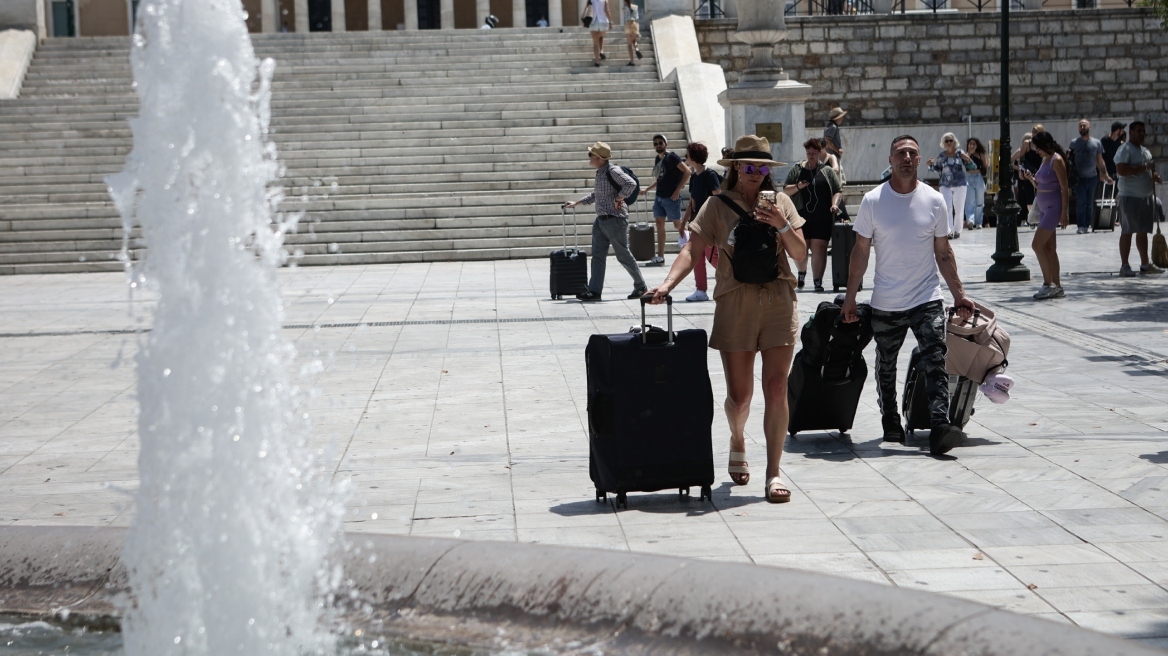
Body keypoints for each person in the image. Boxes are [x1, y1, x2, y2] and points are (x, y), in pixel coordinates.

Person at [647, 135, 807, 503]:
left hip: (779, 299)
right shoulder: (717, 206)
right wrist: (667, 284)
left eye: (762, 167)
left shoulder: (781, 201)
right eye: (748, 167)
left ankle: (773, 472)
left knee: (777, 389)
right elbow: (693, 249)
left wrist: (781, 223)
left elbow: (800, 255)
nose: (756, 174)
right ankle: (738, 437)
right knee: (740, 396)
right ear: (735, 167)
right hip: (735, 302)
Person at [841, 135, 975, 456]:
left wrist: (959, 295)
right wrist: (849, 298)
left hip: (927, 297)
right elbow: (860, 252)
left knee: (935, 360)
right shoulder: (873, 201)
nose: (906, 157)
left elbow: (943, 252)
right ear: (890, 160)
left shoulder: (934, 201)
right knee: (886, 365)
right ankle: (890, 419)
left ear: (919, 160)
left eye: (912, 153)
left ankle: (940, 424)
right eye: (900, 153)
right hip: (886, 302)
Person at [564, 141, 648, 301]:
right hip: (601, 220)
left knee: (623, 255)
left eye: (591, 155)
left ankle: (641, 286)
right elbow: (596, 195)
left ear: (598, 158)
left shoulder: (612, 170)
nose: (589, 157)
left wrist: (619, 197)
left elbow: (631, 183)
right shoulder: (600, 173)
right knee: (597, 256)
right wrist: (577, 203)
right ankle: (594, 291)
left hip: (615, 220)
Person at [783, 137, 843, 293]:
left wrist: (835, 204)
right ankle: (801, 274)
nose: (811, 155)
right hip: (800, 215)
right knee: (802, 247)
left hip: (822, 215)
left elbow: (838, 191)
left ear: (820, 152)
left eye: (814, 152)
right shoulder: (797, 169)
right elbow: (786, 190)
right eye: (808, 152)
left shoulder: (827, 171)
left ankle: (818, 281)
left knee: (819, 247)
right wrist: (798, 186)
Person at [1114, 121, 1165, 277]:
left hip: (1146, 198)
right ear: (1131, 132)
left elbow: (1149, 170)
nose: (1142, 134)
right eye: (1138, 131)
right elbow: (1121, 170)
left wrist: (1154, 176)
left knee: (1143, 232)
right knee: (1128, 231)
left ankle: (1145, 264)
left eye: (1143, 131)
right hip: (1130, 197)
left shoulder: (1145, 151)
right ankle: (1124, 265)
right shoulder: (1125, 149)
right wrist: (1145, 168)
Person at [1025, 131, 1070, 300]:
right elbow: (1040, 183)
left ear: (1045, 146)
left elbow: (1064, 188)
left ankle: (1047, 284)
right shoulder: (1045, 160)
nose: (1037, 151)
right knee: (1050, 248)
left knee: (1037, 245)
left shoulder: (1057, 160)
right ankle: (1057, 286)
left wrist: (1065, 212)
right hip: (1043, 207)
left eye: (1038, 148)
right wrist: (1030, 178)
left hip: (1053, 207)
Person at [678, 142, 723, 302]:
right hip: (696, 224)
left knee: (714, 257)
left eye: (687, 155)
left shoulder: (710, 175)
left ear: (693, 157)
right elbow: (692, 202)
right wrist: (684, 223)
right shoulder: (694, 177)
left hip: (709, 224)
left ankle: (732, 280)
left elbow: (717, 196)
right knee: (697, 258)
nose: (685, 158)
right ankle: (700, 290)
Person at [644, 134, 690, 266]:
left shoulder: (672, 157)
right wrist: (647, 189)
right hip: (659, 197)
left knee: (678, 225)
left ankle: (690, 251)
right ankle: (660, 256)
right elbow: (660, 179)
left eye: (660, 143)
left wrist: (677, 191)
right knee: (659, 225)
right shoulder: (657, 159)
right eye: (656, 143)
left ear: (666, 144)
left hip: (671, 197)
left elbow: (687, 172)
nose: (658, 145)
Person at [1068, 119, 1114, 234]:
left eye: (1084, 125)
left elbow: (1100, 160)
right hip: (1079, 178)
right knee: (1081, 201)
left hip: (1092, 177)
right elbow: (1069, 160)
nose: (1082, 127)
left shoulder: (1096, 143)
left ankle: (1087, 225)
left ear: (1089, 127)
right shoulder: (1074, 143)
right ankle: (1081, 225)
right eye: (1080, 126)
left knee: (1089, 203)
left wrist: (1105, 174)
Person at [927, 133, 971, 239]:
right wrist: (929, 165)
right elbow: (937, 169)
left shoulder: (960, 153)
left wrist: (968, 159)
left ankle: (957, 230)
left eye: (950, 140)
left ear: (954, 141)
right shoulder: (942, 156)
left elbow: (971, 166)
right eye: (946, 141)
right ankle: (949, 231)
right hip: (945, 184)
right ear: (944, 143)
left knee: (959, 208)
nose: (949, 143)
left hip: (960, 184)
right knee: (947, 208)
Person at [1012, 133, 1040, 223]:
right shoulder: (1020, 151)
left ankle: (1033, 217)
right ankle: (1029, 218)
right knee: (1027, 197)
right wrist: (1018, 169)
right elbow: (1010, 162)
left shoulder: (1037, 151)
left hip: (1034, 174)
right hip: (1025, 176)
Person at [964, 138, 988, 230]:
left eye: (974, 144)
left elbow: (985, 167)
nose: (972, 145)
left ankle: (979, 222)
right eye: (970, 144)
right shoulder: (965, 154)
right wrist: (969, 153)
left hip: (978, 177)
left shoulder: (980, 154)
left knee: (980, 201)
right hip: (969, 177)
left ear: (977, 145)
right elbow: (964, 162)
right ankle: (970, 220)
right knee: (969, 201)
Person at [584, 0, 611, 67]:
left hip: (593, 22)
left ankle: (597, 61)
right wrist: (610, 22)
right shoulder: (605, 0)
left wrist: (583, 19)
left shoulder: (590, 0)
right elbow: (607, 11)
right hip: (603, 21)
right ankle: (601, 51)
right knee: (601, 36)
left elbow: (586, 9)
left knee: (595, 43)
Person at [823, 107, 847, 182]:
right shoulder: (833, 127)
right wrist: (837, 150)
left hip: (831, 156)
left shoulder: (830, 126)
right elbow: (827, 140)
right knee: (837, 179)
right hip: (833, 156)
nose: (842, 119)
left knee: (840, 179)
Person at [622, 0, 642, 66]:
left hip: (628, 24)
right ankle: (637, 49)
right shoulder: (636, 7)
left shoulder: (624, 8)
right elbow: (637, 17)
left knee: (629, 44)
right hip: (635, 24)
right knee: (634, 40)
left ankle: (632, 61)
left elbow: (625, 16)